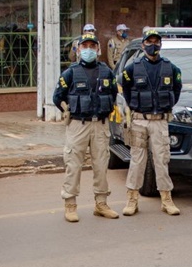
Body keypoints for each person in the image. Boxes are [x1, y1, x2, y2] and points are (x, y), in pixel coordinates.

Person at [52, 33, 120, 223]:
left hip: (100, 125)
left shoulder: (107, 72)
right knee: (73, 165)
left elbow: (113, 94)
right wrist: (67, 110)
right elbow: (57, 97)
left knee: (101, 165)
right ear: (78, 49)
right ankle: (70, 205)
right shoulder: (70, 73)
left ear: (98, 49)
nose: (88, 49)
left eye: (92, 46)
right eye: (85, 46)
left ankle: (101, 204)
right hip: (78, 125)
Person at [120, 30, 183, 215]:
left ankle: (166, 199)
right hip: (139, 120)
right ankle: (132, 199)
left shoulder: (171, 68)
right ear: (143, 45)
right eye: (149, 42)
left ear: (160, 45)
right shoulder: (132, 68)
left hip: (160, 121)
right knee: (137, 161)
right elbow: (126, 91)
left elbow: (176, 91)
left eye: (156, 42)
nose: (152, 45)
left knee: (162, 160)